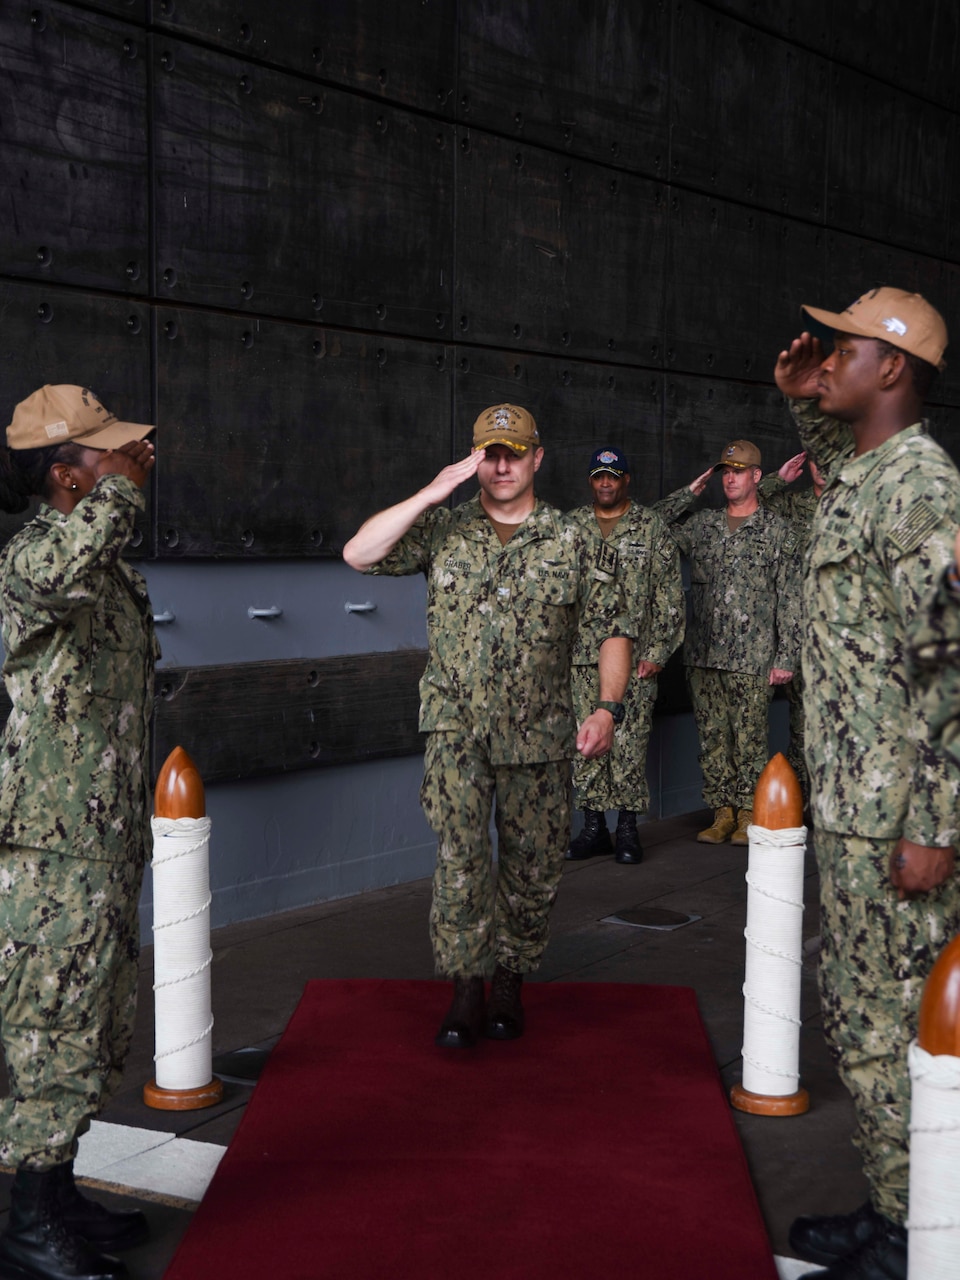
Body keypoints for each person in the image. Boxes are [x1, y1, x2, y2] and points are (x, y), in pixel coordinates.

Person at [343, 404, 633, 1049]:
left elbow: (615, 627)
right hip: (456, 728)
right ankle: (466, 986)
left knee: (532, 866)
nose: (501, 466)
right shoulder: (443, 530)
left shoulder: (574, 539)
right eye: (488, 454)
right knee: (461, 860)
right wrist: (434, 491)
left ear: (537, 458)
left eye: (513, 453)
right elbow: (359, 554)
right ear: (475, 459)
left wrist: (607, 706)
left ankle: (509, 978)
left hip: (541, 732)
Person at [774, 287, 960, 1280]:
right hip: (854, 807)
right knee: (860, 1014)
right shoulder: (869, 473)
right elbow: (839, 472)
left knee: (894, 1018)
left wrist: (935, 820)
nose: (828, 356)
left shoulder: (923, 484)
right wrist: (806, 398)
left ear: (892, 368)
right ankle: (894, 1207)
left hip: (897, 813)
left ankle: (916, 1232)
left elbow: (953, 663)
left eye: (844, 349)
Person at [0, 384, 159, 1280]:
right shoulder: (31, 558)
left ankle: (56, 1192)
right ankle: (26, 1224)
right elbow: (62, 570)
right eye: (111, 453)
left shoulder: (107, 568)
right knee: (51, 1031)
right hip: (54, 849)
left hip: (100, 839)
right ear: (66, 476)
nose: (136, 458)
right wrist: (122, 496)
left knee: (92, 1026)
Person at [655, 440, 800, 845]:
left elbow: (790, 598)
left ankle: (751, 811)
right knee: (713, 738)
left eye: (739, 471)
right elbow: (648, 529)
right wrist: (688, 494)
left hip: (752, 657)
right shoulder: (703, 526)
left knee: (751, 739)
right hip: (703, 653)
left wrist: (786, 656)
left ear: (757, 476)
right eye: (725, 471)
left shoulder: (777, 531)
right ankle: (722, 812)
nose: (730, 478)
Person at [565, 447, 683, 863]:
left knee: (630, 743)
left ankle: (628, 828)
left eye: (613, 476)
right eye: (598, 476)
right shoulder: (572, 527)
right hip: (580, 656)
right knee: (587, 741)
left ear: (625, 479)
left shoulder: (650, 527)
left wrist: (658, 652)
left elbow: (670, 595)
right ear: (591, 480)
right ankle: (594, 827)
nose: (605, 483)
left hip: (635, 660)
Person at [758, 450, 826, 800]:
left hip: (843, 635)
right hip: (798, 630)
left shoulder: (856, 508)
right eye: (818, 461)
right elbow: (748, 503)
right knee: (802, 720)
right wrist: (778, 479)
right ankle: (802, 798)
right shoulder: (791, 504)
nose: (825, 469)